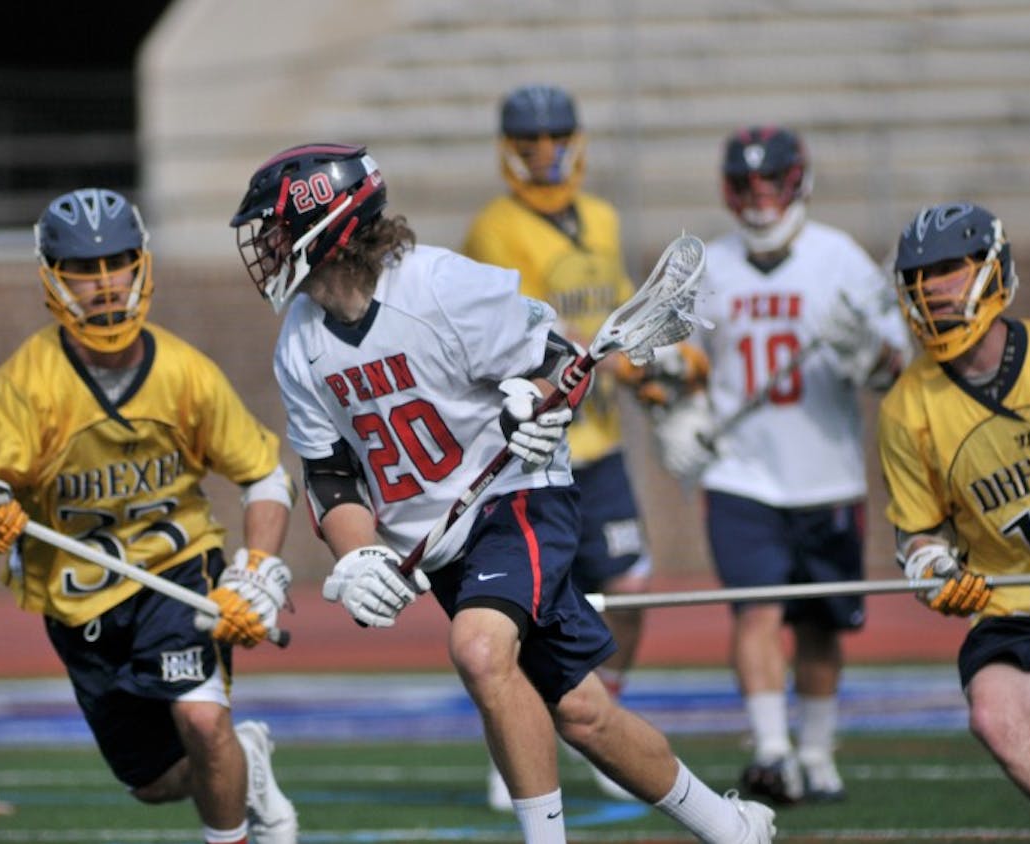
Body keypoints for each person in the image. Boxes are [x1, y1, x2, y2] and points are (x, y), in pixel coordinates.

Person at [230, 142, 776, 844]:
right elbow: (330, 473)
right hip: (444, 538)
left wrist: (537, 406)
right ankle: (731, 827)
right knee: (583, 713)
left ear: (326, 225)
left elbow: (555, 362)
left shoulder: (437, 287)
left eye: (277, 229)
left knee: (481, 650)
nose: (269, 248)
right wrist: (360, 556)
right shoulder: (298, 346)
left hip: (518, 496)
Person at [0, 188, 299, 844]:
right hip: (80, 605)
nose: (104, 285)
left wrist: (257, 568)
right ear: (52, 275)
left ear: (142, 265)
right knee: (154, 782)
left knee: (202, 721)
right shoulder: (26, 386)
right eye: (83, 268)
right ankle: (245, 764)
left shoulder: (184, 372)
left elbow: (266, 475)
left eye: (118, 263)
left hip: (177, 574)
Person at [649, 126, 911, 805]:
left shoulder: (841, 260)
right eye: (745, 184)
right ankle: (772, 752)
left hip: (826, 473)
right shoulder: (712, 266)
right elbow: (674, 367)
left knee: (823, 623)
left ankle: (818, 753)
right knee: (756, 613)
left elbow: (897, 368)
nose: (759, 198)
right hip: (743, 474)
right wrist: (682, 415)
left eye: (771, 182)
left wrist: (869, 358)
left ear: (799, 181)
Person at [461, 82, 698, 807]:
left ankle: (600, 721)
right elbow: (538, 340)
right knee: (529, 609)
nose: (543, 151)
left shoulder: (600, 217)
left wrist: (664, 382)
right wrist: (628, 364)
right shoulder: (494, 231)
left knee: (629, 586)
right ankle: (519, 736)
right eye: (528, 140)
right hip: (533, 454)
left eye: (554, 135)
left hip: (599, 448)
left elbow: (619, 322)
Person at [877, 201, 1030, 840]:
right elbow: (915, 529)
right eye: (919, 275)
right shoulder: (906, 409)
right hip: (1021, 605)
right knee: (995, 714)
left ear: (992, 269)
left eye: (948, 269)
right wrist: (928, 566)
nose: (933, 289)